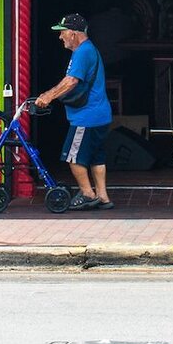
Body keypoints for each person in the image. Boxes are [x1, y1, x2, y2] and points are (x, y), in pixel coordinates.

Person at [36, 13, 114, 210]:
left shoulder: (82, 52)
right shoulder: (88, 50)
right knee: (97, 156)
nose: (60, 37)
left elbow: (71, 81)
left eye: (62, 33)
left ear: (73, 33)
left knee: (73, 156)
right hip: (100, 115)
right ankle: (103, 197)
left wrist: (48, 96)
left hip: (87, 117)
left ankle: (88, 193)